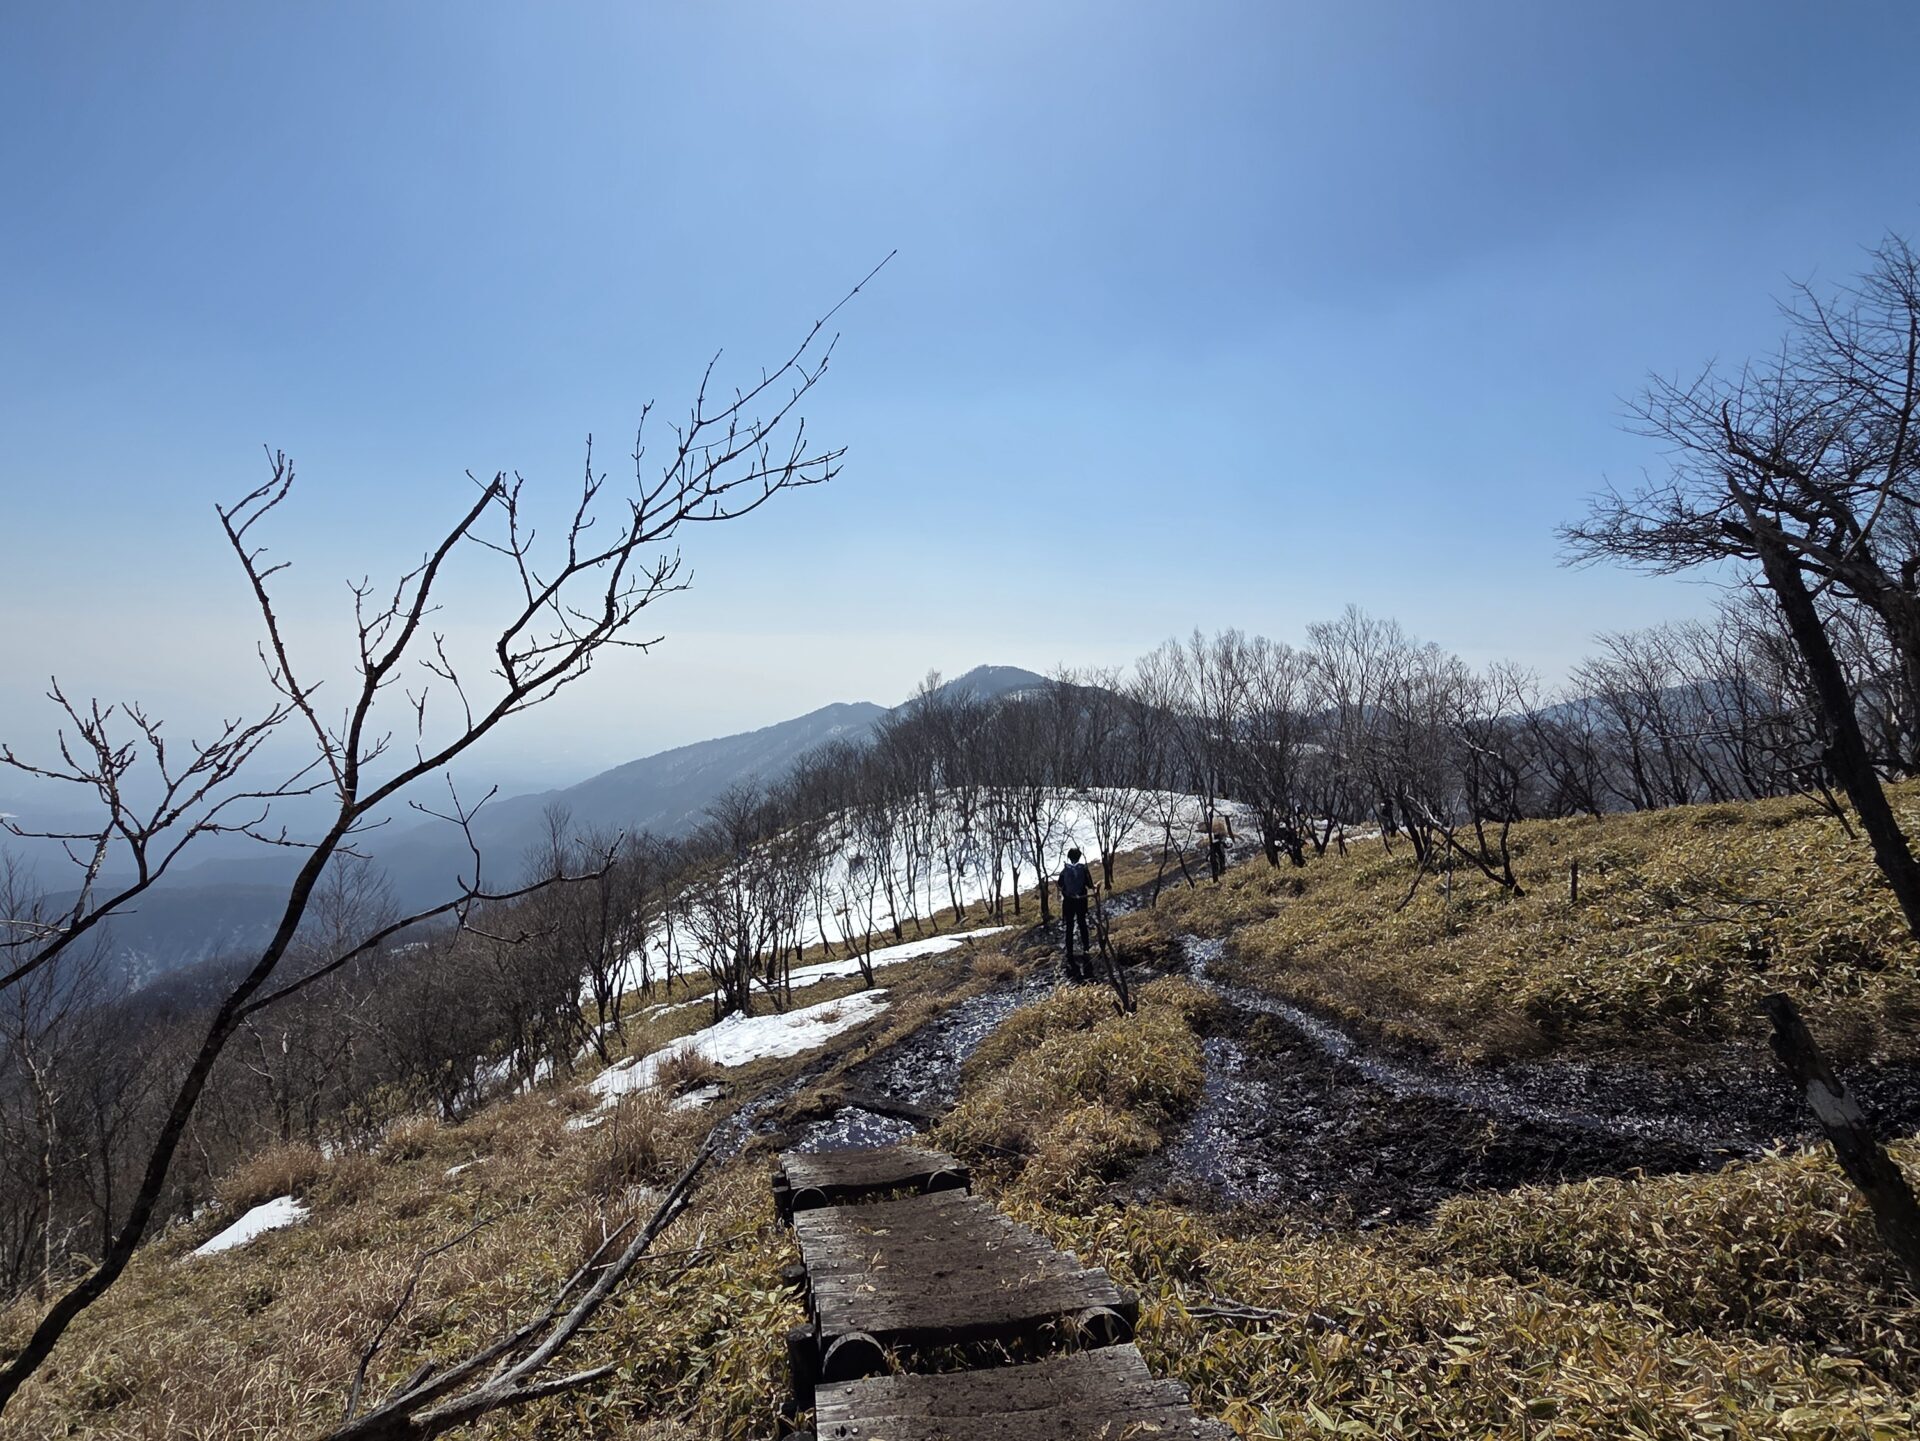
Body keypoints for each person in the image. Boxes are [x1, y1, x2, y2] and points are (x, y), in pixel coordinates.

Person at [1057, 846, 1096, 980]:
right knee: (1082, 923)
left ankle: (1069, 952)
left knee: (1069, 926)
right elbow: (1090, 884)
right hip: (1081, 901)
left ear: (1069, 857)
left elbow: (1060, 884)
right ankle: (1086, 948)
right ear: (1079, 857)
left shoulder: (1065, 870)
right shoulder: (1083, 869)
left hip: (1068, 901)